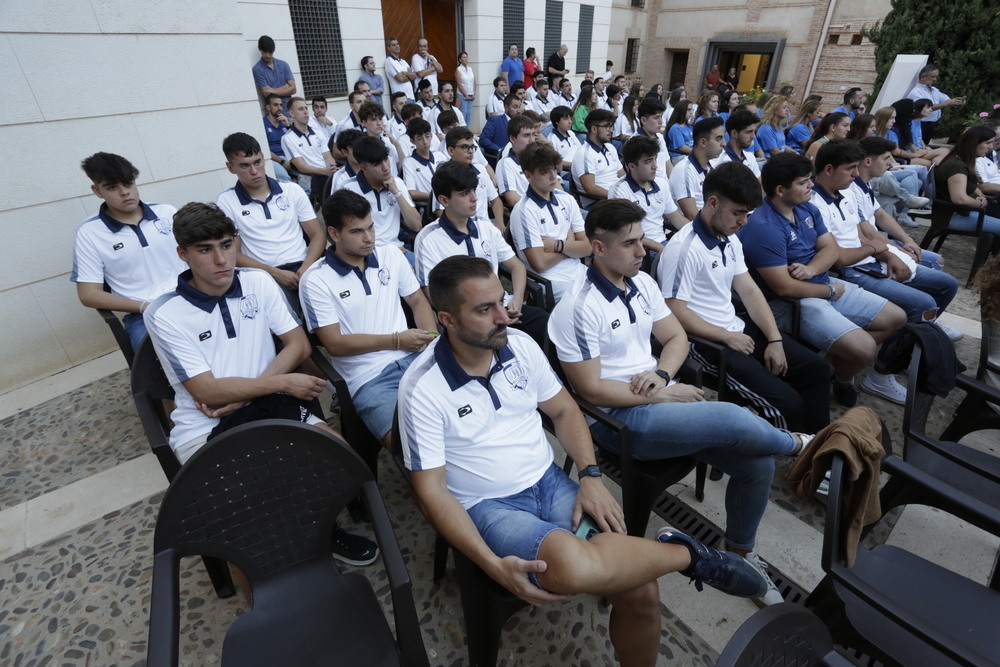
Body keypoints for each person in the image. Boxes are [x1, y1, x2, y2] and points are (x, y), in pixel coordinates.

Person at [401, 255, 770, 667]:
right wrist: (489, 563)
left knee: (642, 590)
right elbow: (430, 491)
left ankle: (673, 562)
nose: (503, 316)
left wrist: (591, 476)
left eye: (501, 301)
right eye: (484, 310)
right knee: (574, 567)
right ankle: (687, 556)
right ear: (447, 319)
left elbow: (564, 411)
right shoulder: (422, 388)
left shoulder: (519, 346)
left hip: (548, 483)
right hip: (490, 506)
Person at [550, 199, 817, 607]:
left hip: (657, 400)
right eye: (630, 244)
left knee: (757, 466)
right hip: (616, 419)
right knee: (731, 416)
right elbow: (591, 391)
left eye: (642, 240)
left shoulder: (642, 284)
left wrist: (659, 375)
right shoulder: (578, 306)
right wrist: (664, 391)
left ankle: (741, 556)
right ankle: (803, 446)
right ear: (599, 248)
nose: (643, 251)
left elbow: (677, 338)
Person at [143, 201, 378, 566]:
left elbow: (298, 343)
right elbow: (205, 391)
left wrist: (257, 389)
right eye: (205, 250)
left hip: (267, 401)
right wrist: (278, 383)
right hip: (207, 423)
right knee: (254, 492)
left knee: (340, 457)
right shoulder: (163, 312)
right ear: (183, 254)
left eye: (226, 245)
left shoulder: (256, 281)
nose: (221, 260)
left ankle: (323, 531)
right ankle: (265, 564)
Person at [657, 161, 832, 432]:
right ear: (713, 203)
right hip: (705, 344)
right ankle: (796, 456)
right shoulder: (685, 249)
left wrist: (774, 339)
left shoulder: (729, 235)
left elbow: (749, 290)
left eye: (748, 213)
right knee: (787, 403)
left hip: (735, 329)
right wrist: (726, 336)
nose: (745, 221)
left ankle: (819, 448)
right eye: (738, 213)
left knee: (817, 370)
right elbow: (675, 311)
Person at [739, 153, 907, 407]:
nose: (811, 185)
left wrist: (811, 269)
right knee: (864, 350)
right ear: (781, 190)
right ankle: (843, 374)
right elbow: (782, 286)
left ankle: (839, 369)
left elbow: (831, 249)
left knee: (896, 318)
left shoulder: (806, 207)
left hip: (822, 283)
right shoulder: (764, 226)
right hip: (791, 302)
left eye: (810, 179)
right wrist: (827, 290)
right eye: (803, 182)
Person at [300, 189, 436, 451]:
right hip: (368, 380)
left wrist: (429, 335)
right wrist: (396, 340)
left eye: (371, 227)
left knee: (465, 418)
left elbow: (418, 301)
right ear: (334, 234)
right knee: (408, 447)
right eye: (357, 231)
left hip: (418, 359)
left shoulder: (390, 255)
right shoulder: (316, 279)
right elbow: (335, 344)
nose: (369, 237)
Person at [415, 161, 549, 343]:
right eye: (464, 194)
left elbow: (516, 266)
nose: (474, 198)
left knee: (544, 324)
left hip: (501, 307)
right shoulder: (428, 238)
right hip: (467, 319)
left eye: (473, 190)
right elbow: (430, 291)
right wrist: (476, 316)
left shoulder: (486, 227)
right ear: (444, 200)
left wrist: (516, 301)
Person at [849, 136, 963, 341]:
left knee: (939, 268)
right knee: (930, 277)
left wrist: (907, 240)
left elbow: (880, 216)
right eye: (886, 158)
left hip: (876, 247)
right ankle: (919, 324)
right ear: (868, 161)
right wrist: (898, 250)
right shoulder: (850, 189)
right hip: (863, 258)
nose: (891, 163)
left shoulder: (864, 185)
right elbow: (866, 233)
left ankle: (926, 321)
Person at [72, 152, 186, 350]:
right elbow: (89, 294)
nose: (124, 192)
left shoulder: (167, 213)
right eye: (112, 187)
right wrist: (143, 306)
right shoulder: (89, 233)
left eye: (128, 183)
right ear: (97, 191)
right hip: (142, 315)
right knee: (152, 361)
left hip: (190, 297)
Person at [215, 133, 325, 311]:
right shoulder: (226, 201)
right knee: (292, 318)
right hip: (265, 274)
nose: (254, 171)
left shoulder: (292, 190)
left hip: (304, 265)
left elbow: (317, 235)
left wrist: (306, 268)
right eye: (244, 165)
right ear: (230, 167)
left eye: (257, 162)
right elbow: (233, 253)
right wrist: (275, 274)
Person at [509, 142, 589, 302]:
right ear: (528, 175)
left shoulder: (566, 199)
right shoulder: (524, 210)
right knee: (591, 306)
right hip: (550, 280)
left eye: (554, 168)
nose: (553, 176)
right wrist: (569, 245)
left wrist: (558, 245)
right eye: (545, 172)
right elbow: (540, 264)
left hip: (578, 271)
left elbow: (587, 248)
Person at [341, 136, 421, 258]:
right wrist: (382, 252)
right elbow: (347, 234)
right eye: (377, 164)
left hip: (398, 250)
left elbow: (416, 225)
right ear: (363, 168)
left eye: (386, 159)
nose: (386, 167)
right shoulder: (349, 189)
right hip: (366, 253)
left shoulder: (397, 183)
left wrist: (396, 192)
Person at [609, 136, 686, 255]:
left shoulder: (661, 183)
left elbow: (675, 217)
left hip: (663, 244)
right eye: (648, 161)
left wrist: (698, 233)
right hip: (639, 250)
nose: (655, 166)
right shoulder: (619, 190)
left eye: (655, 159)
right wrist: (662, 249)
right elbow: (627, 232)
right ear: (632, 166)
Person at [935, 125, 1000, 236]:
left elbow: (972, 186)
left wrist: (981, 196)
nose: (991, 147)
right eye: (988, 143)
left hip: (964, 212)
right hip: (954, 216)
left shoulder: (962, 160)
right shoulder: (957, 166)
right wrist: (978, 204)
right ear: (974, 143)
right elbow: (959, 199)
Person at [439, 127, 504, 230]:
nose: (470, 151)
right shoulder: (444, 176)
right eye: (465, 147)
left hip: (487, 229)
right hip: (461, 229)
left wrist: (499, 223)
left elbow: (495, 200)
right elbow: (440, 211)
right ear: (451, 150)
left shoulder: (481, 169)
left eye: (472, 147)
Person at [670, 117, 726, 221]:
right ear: (703, 142)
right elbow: (692, 216)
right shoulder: (684, 170)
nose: (724, 143)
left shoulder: (712, 167)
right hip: (699, 230)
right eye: (719, 138)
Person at [280, 97, 336, 199]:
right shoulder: (287, 138)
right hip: (311, 178)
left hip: (327, 174)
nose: (306, 112)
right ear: (292, 113)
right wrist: (326, 171)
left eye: (306, 108)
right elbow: (301, 167)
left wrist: (332, 168)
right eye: (301, 109)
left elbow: (327, 156)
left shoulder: (318, 133)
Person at [571, 109, 625, 207]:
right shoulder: (584, 153)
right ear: (594, 129)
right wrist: (616, 196)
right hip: (598, 203)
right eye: (606, 126)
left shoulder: (610, 147)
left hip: (616, 199)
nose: (611, 130)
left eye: (611, 126)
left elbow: (622, 175)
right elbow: (590, 188)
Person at [907, 63, 965, 141]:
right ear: (923, 77)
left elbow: (945, 99)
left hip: (930, 124)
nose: (935, 79)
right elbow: (925, 107)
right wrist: (947, 104)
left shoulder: (934, 90)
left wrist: (956, 101)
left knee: (925, 145)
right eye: (932, 77)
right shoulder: (916, 92)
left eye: (935, 77)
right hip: (920, 123)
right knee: (919, 145)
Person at [496, 115, 536, 208]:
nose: (532, 140)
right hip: (528, 212)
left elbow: (558, 187)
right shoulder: (505, 163)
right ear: (513, 139)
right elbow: (512, 200)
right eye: (526, 135)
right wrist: (538, 207)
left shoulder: (539, 157)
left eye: (533, 135)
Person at [710, 109, 761, 178]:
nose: (753, 136)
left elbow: (759, 185)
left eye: (754, 132)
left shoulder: (750, 157)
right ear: (734, 133)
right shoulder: (718, 161)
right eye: (749, 132)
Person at [358, 100, 405, 177]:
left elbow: (401, 167)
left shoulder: (388, 140)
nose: (379, 123)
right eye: (373, 120)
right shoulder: (361, 146)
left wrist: (397, 145)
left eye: (380, 119)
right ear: (364, 123)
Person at [252, 35, 295, 113]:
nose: (268, 55)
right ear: (260, 49)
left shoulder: (284, 64)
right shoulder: (257, 69)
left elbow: (293, 89)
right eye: (265, 52)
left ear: (274, 50)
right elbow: (267, 94)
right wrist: (286, 87)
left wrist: (272, 90)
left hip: (290, 111)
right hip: (274, 115)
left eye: (270, 52)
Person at [401, 118, 440, 205]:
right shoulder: (409, 162)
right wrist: (436, 198)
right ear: (412, 141)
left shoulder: (440, 156)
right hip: (427, 208)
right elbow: (412, 192)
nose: (425, 142)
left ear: (431, 135)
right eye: (419, 139)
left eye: (427, 136)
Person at [635, 98, 672, 178]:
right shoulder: (635, 142)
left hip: (664, 184)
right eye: (656, 118)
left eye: (661, 117)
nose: (661, 121)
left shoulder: (659, 137)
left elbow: (668, 164)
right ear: (644, 120)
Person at [262, 93, 294, 182]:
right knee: (285, 178)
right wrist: (282, 162)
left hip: (289, 157)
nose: (279, 108)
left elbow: (295, 143)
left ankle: (307, 195)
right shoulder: (263, 124)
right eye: (275, 105)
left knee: (305, 173)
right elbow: (264, 149)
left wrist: (287, 125)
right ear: (268, 107)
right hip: (274, 160)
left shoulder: (284, 123)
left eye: (281, 105)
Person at [549, 105, 581, 170]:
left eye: (571, 119)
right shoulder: (552, 138)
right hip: (566, 171)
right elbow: (555, 161)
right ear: (557, 122)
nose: (570, 122)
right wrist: (574, 165)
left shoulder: (571, 133)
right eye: (565, 119)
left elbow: (580, 150)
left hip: (579, 167)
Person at [666, 100, 695, 165]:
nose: (691, 112)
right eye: (689, 110)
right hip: (679, 157)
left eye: (692, 110)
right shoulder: (675, 128)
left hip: (689, 155)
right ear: (682, 110)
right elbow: (682, 147)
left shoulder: (689, 126)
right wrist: (697, 153)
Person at [455, 51, 476, 122]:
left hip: (471, 94)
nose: (466, 59)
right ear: (460, 60)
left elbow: (474, 81)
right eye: (464, 57)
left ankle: (468, 130)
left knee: (469, 113)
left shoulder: (470, 69)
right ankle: (462, 131)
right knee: (463, 112)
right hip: (462, 95)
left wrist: (473, 93)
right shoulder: (458, 70)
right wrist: (465, 95)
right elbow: (459, 83)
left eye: (466, 57)